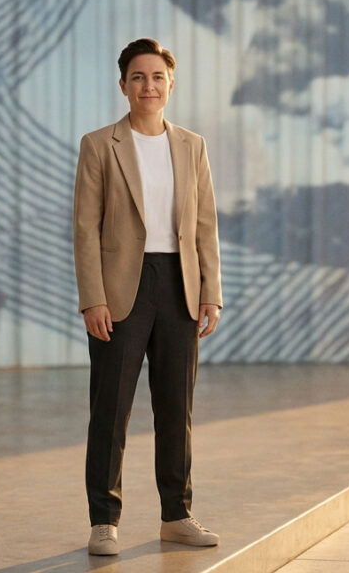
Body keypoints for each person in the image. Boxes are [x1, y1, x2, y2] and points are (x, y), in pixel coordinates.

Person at [72, 38, 223, 557]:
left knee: (175, 408)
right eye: (138, 77)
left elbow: (205, 226)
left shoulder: (192, 145)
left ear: (170, 85)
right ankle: (103, 521)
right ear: (123, 86)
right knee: (110, 408)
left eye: (157, 77)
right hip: (121, 289)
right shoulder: (100, 145)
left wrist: (211, 294)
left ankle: (176, 515)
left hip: (179, 286)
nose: (148, 86)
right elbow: (85, 229)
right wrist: (92, 298)